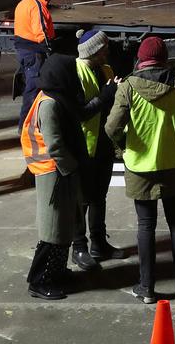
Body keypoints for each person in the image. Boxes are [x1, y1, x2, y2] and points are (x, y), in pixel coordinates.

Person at [105, 36, 175, 304]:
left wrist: (127, 144)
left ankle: (146, 288)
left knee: (146, 226)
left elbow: (112, 128)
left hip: (140, 167)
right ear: (164, 58)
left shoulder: (128, 87)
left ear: (140, 59)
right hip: (173, 163)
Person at [22, 54, 90, 301]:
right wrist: (71, 167)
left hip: (61, 171)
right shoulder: (49, 104)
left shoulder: (55, 98)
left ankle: (58, 272)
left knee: (63, 227)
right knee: (52, 230)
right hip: (54, 172)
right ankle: (40, 282)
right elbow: (55, 144)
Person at [71, 29, 124, 271]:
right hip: (83, 145)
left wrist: (117, 93)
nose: (108, 52)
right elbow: (80, 112)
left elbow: (109, 102)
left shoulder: (106, 70)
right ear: (93, 51)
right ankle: (78, 248)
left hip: (103, 142)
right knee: (81, 200)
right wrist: (106, 96)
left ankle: (99, 243)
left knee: (98, 197)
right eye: (104, 49)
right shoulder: (76, 72)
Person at [15, 0, 57, 130]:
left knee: (32, 88)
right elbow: (41, 32)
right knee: (33, 90)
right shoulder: (36, 5)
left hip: (26, 51)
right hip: (34, 52)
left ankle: (26, 127)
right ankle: (25, 128)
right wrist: (49, 51)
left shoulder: (26, 2)